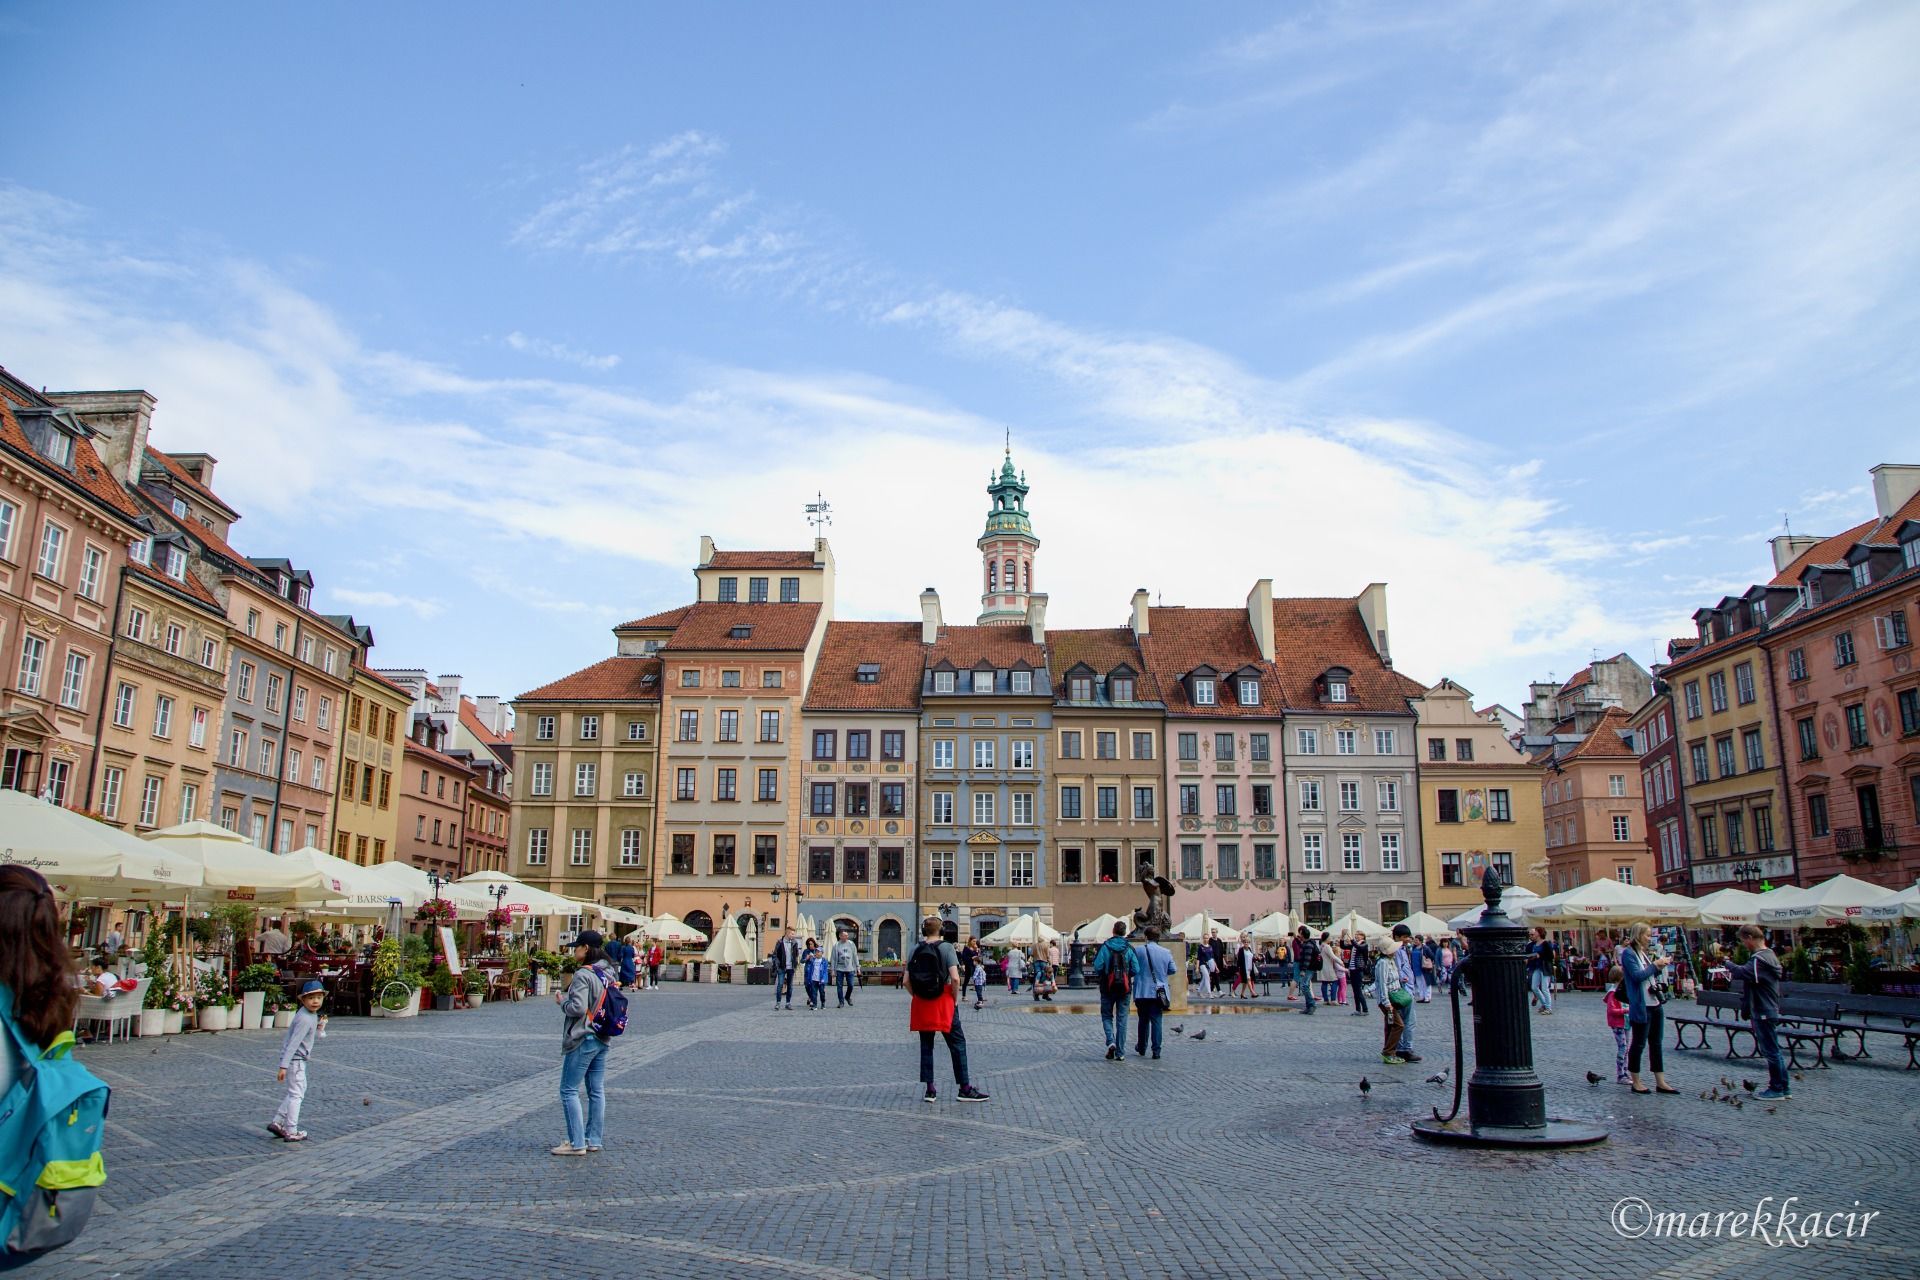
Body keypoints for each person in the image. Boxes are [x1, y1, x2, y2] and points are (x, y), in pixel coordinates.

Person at [908, 916, 987, 1104]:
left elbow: (905, 980)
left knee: (926, 1045)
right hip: (943, 1000)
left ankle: (930, 1090)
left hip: (922, 1001)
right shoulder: (947, 948)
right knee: (957, 1043)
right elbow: (956, 978)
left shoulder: (914, 949)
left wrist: (915, 995)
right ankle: (964, 1088)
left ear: (923, 931)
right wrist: (955, 999)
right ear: (941, 930)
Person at [554, 929, 616, 1155]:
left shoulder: (583, 974)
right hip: (602, 1036)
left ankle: (576, 1143)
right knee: (596, 1091)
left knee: (568, 1090)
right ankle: (593, 1140)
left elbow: (578, 1008)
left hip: (583, 1037)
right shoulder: (608, 972)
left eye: (577, 947)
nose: (574, 951)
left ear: (586, 949)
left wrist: (562, 1002)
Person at [1722, 924, 1789, 1100]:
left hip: (1763, 1008)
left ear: (1750, 938)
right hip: (1769, 1007)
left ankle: (1776, 1089)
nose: (1743, 944)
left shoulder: (1759, 959)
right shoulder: (1770, 955)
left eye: (1743, 940)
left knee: (1770, 1051)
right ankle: (1784, 1086)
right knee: (1775, 1049)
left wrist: (1727, 963)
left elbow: (1741, 972)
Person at [1620, 922, 1678, 1095]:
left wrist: (1660, 967)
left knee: (1656, 1043)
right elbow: (1637, 976)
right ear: (1638, 935)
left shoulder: (1643, 954)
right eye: (1646, 934)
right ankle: (1636, 1081)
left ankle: (1660, 1081)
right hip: (1641, 1005)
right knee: (1639, 1043)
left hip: (1655, 1003)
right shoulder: (1628, 954)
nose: (1649, 938)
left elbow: (1649, 975)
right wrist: (1655, 965)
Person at [267, 979, 328, 1142]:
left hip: (296, 1060)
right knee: (297, 1095)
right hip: (296, 1061)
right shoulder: (305, 1018)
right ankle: (291, 1129)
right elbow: (294, 1043)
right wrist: (283, 1066)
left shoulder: (308, 1014)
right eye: (311, 998)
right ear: (302, 1000)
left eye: (319, 998)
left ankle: (278, 1121)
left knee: (297, 1091)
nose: (315, 1001)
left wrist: (319, 1027)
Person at [1092, 921, 1138, 1061]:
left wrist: (1107, 973)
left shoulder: (1105, 947)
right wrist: (1126, 974)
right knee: (1122, 1019)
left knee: (1106, 1015)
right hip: (1124, 988)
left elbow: (1097, 966)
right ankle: (1120, 1052)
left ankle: (1110, 1041)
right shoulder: (1129, 948)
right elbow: (1136, 969)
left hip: (1107, 986)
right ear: (1124, 932)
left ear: (1113, 931)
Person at [1131, 926, 1176, 1059]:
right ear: (1159, 938)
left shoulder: (1138, 951)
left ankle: (1142, 1047)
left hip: (1142, 991)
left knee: (1143, 1020)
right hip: (1158, 992)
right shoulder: (1166, 952)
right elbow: (1173, 969)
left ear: (1146, 937)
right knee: (1157, 1020)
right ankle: (1156, 1050)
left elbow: (1133, 967)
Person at [1374, 930, 1410, 1065]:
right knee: (1399, 1025)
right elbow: (1382, 983)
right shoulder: (1383, 963)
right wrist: (1386, 1002)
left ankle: (1390, 1052)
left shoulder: (1390, 961)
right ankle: (1388, 1051)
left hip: (1392, 998)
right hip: (1388, 999)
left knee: (1390, 1025)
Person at [1389, 924, 1421, 1061]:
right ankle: (1406, 1049)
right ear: (1397, 937)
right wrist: (1404, 979)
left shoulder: (1402, 949)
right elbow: (1398, 969)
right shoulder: (1396, 951)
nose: (1408, 939)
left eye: (1408, 936)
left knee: (1403, 1021)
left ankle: (1402, 1047)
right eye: (1405, 937)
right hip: (1403, 991)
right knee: (1409, 1021)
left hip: (1407, 989)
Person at [1603, 965, 1629, 1083]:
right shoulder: (1613, 993)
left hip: (1626, 1022)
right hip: (1618, 1023)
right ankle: (1621, 1074)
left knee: (1626, 1048)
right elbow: (1612, 1010)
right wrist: (1627, 1010)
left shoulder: (1622, 990)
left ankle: (1625, 1071)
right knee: (1622, 1047)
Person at [769, 928, 800, 1011]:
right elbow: (775, 955)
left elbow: (796, 954)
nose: (794, 935)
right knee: (780, 985)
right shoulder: (780, 942)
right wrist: (777, 965)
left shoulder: (794, 943)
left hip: (791, 967)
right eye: (792, 934)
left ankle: (788, 1003)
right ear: (787, 933)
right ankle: (778, 1003)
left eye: (794, 934)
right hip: (782, 967)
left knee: (790, 985)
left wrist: (795, 963)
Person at [1527, 928, 1556, 1014]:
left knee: (1544, 988)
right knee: (1534, 987)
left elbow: (1551, 955)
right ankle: (1544, 1004)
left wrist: (1540, 955)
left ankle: (1548, 1008)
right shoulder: (1534, 944)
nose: (1533, 934)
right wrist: (1532, 957)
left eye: (1535, 932)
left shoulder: (1545, 943)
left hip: (1545, 967)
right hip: (1537, 967)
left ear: (1539, 933)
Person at [830, 929, 861, 1007]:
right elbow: (833, 958)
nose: (846, 937)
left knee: (851, 985)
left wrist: (858, 968)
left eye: (847, 935)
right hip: (839, 968)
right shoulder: (836, 945)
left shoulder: (851, 944)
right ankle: (841, 1002)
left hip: (850, 968)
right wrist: (833, 970)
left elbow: (855, 956)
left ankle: (847, 997)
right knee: (839, 986)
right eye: (845, 935)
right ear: (840, 936)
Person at [1290, 927, 1318, 1014]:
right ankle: (1308, 1007)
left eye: (1300, 934)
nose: (1299, 935)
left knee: (1304, 986)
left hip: (1308, 968)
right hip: (1308, 968)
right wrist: (1296, 938)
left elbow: (1307, 959)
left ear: (1303, 935)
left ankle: (1312, 1004)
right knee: (1304, 986)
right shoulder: (1306, 943)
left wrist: (1303, 970)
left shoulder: (1309, 945)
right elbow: (1301, 945)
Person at [1347, 935, 1371, 1016]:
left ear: (1363, 936)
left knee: (1358, 990)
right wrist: (1343, 937)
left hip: (1358, 969)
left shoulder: (1364, 944)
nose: (1356, 936)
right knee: (1355, 991)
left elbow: (1359, 947)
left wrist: (1352, 940)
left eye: (1358, 934)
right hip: (1352, 969)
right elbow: (1343, 946)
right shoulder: (1354, 945)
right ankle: (1358, 1009)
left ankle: (1365, 1009)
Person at [1317, 931, 1343, 1005]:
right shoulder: (1327, 946)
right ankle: (1333, 999)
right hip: (1328, 967)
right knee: (1335, 981)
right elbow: (1333, 957)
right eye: (1330, 937)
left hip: (1322, 966)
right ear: (1327, 938)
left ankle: (1325, 999)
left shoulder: (1321, 946)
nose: (1331, 938)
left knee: (1324, 982)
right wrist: (1341, 962)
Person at [803, 944, 830, 1011]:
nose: (817, 953)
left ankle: (823, 1003)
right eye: (816, 951)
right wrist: (809, 979)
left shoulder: (824, 961)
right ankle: (815, 1005)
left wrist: (823, 979)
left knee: (822, 992)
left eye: (819, 952)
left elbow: (825, 971)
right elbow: (810, 970)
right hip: (814, 979)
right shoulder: (813, 960)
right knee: (814, 993)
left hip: (821, 980)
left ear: (822, 953)